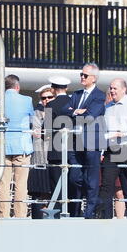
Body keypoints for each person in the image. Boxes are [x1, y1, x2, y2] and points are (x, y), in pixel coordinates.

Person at [61, 63, 106, 218]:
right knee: (75, 177)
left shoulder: (99, 96)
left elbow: (91, 116)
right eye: (81, 74)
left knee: (92, 179)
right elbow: (63, 111)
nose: (82, 77)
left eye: (85, 75)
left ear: (93, 78)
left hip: (92, 141)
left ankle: (90, 210)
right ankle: (85, 205)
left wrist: (75, 112)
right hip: (76, 141)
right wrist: (78, 111)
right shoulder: (77, 94)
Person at [98, 78, 127, 219]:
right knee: (106, 184)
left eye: (115, 88)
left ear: (124, 89)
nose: (112, 91)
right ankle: (102, 216)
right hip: (111, 149)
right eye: (110, 88)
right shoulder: (107, 108)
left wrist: (123, 133)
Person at [0, 74, 34, 218]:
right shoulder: (27, 100)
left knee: (3, 184)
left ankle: (3, 216)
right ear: (17, 87)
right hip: (22, 147)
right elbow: (32, 118)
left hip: (1, 148)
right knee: (21, 184)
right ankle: (20, 216)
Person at [44, 75, 71, 217]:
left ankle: (58, 214)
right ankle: (74, 212)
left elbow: (46, 130)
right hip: (73, 150)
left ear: (53, 89)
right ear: (66, 88)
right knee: (72, 185)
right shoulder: (75, 102)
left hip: (55, 152)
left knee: (56, 186)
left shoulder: (51, 105)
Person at [28, 87, 55, 219]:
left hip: (52, 157)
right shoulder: (35, 112)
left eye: (49, 97)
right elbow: (37, 131)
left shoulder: (57, 113)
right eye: (43, 98)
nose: (46, 100)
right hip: (38, 157)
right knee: (38, 192)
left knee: (53, 191)